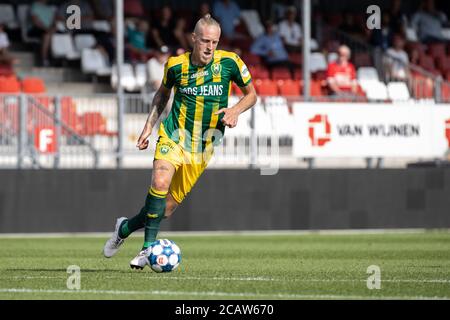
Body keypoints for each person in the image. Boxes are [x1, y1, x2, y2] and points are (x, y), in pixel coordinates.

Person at [103, 14, 257, 269]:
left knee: (165, 209)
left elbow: (251, 95)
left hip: (203, 147)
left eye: (215, 42)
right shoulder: (176, 66)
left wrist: (235, 110)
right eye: (205, 41)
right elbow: (161, 96)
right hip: (174, 135)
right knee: (160, 180)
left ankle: (125, 227)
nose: (209, 47)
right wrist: (148, 127)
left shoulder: (230, 62)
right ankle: (147, 249)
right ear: (193, 38)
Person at [29, 0, 56, 66]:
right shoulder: (35, 5)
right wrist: (46, 29)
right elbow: (35, 21)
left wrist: (53, 29)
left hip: (48, 29)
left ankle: (57, 58)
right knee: (47, 35)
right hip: (35, 29)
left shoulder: (50, 8)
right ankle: (44, 59)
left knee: (58, 35)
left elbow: (53, 21)